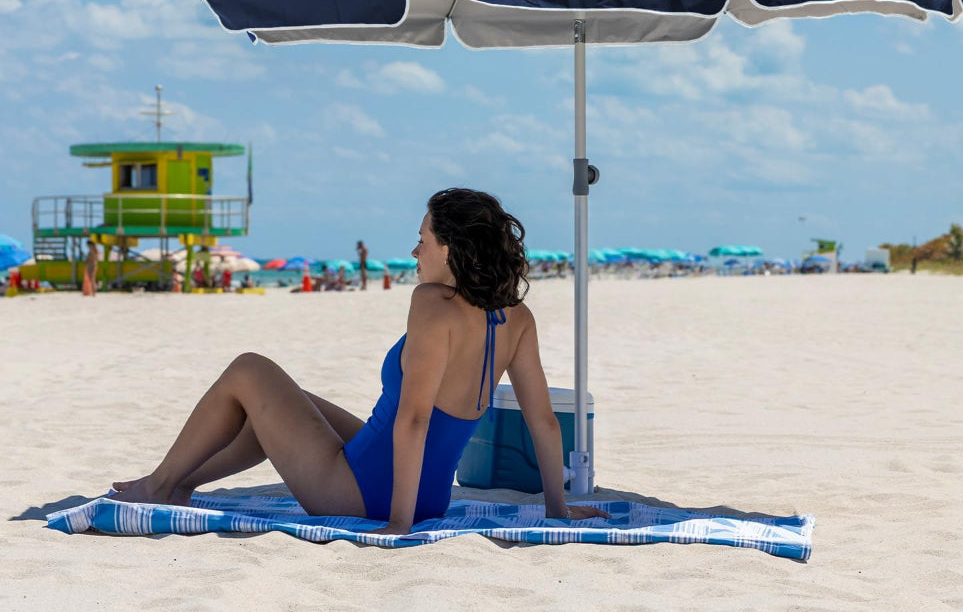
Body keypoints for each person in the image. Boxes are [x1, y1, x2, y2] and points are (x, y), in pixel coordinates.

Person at [109, 189, 607, 534]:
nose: (414, 250)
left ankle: (158, 484)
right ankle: (179, 483)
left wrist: (398, 524)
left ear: (452, 250)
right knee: (289, 404)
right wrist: (557, 510)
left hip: (365, 494)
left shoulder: (433, 304)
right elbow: (542, 421)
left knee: (248, 369)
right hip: (426, 494)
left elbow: (414, 419)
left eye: (424, 240)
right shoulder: (516, 318)